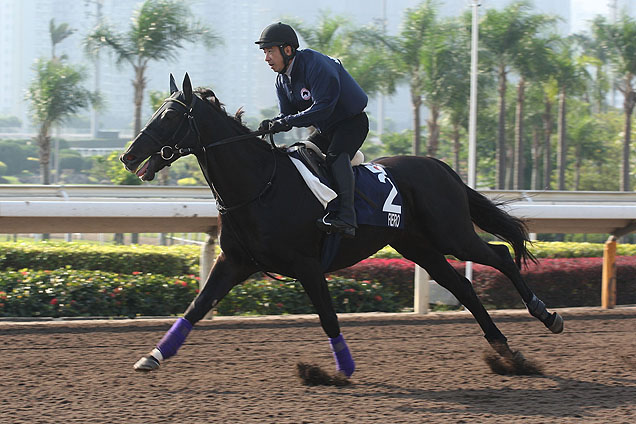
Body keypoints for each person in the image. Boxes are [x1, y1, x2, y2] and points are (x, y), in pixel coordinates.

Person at [255, 22, 369, 239]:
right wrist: (272, 123)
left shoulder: (316, 65)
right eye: (264, 52)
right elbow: (286, 115)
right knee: (300, 154)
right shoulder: (282, 80)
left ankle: (347, 216)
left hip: (352, 123)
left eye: (270, 51)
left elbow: (323, 108)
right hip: (327, 129)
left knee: (335, 156)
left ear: (287, 50)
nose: (266, 58)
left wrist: (285, 121)